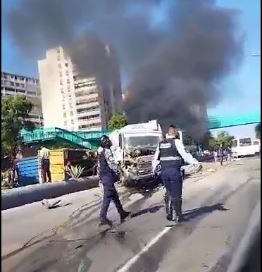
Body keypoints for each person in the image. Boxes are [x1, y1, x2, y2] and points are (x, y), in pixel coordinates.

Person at [152, 125, 200, 222]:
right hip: (174, 171)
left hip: (164, 172)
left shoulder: (160, 144)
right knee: (177, 194)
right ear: (175, 133)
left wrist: (154, 170)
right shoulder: (176, 142)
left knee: (169, 191)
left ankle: (169, 211)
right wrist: (195, 162)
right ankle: (179, 216)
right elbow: (185, 155)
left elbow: (155, 159)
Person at [97, 135, 130, 227]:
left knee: (114, 196)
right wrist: (120, 171)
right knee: (107, 197)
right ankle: (102, 217)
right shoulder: (107, 151)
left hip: (104, 176)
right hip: (107, 176)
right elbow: (111, 164)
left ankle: (121, 212)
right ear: (106, 142)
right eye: (109, 141)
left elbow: (99, 166)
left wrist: (100, 177)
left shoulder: (100, 151)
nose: (110, 142)